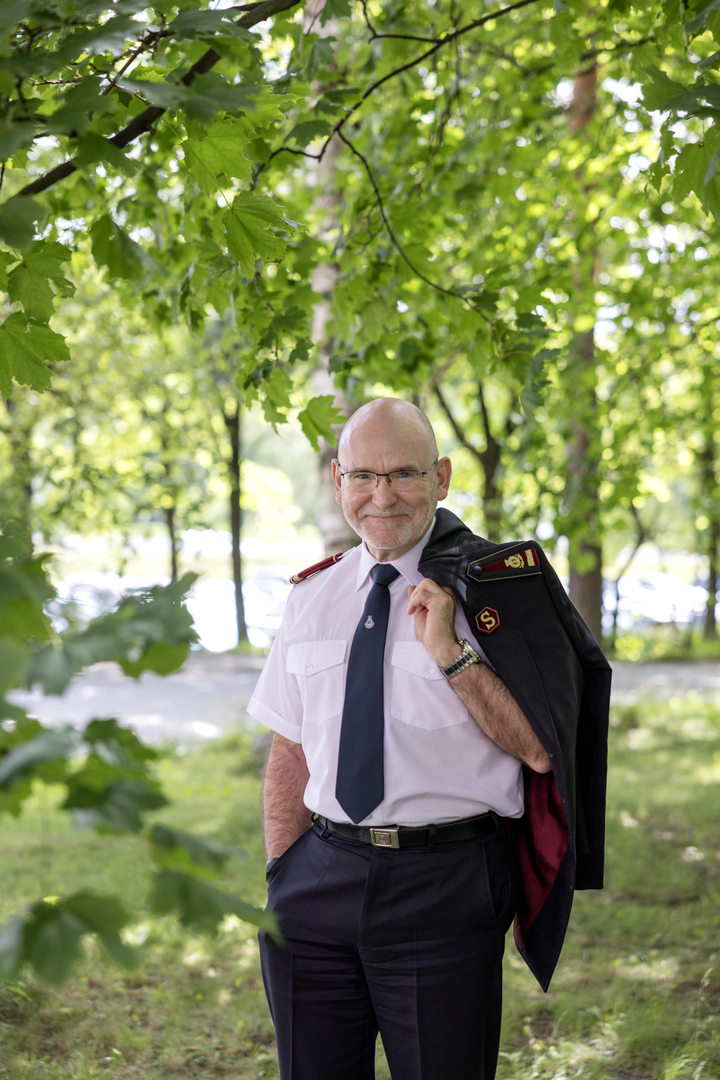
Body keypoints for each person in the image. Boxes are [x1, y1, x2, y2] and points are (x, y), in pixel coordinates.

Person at [247, 397, 610, 1080]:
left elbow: (539, 747)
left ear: (441, 477)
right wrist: (283, 875)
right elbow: (290, 747)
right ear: (338, 481)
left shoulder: (500, 592)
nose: (382, 496)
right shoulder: (311, 597)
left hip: (443, 885)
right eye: (363, 476)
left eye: (404, 474)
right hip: (316, 881)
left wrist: (450, 651)